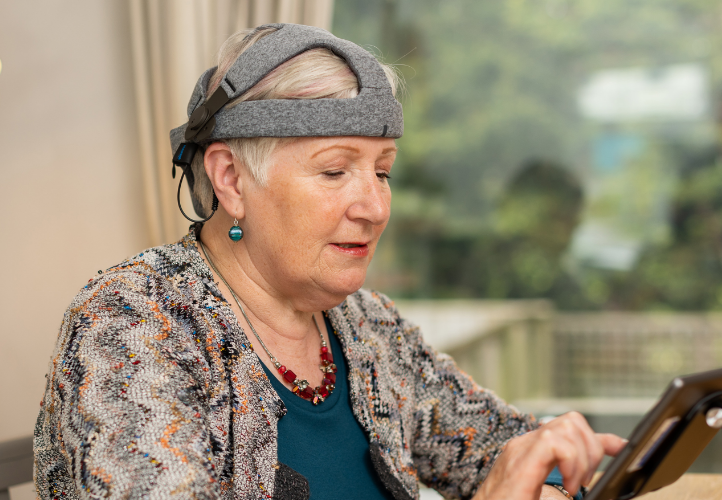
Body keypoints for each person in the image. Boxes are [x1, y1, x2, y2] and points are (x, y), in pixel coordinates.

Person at [34, 24, 625, 499]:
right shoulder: (131, 322)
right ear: (233, 179)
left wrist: (550, 466)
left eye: (384, 171)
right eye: (335, 171)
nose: (374, 207)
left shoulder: (365, 327)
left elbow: (502, 449)